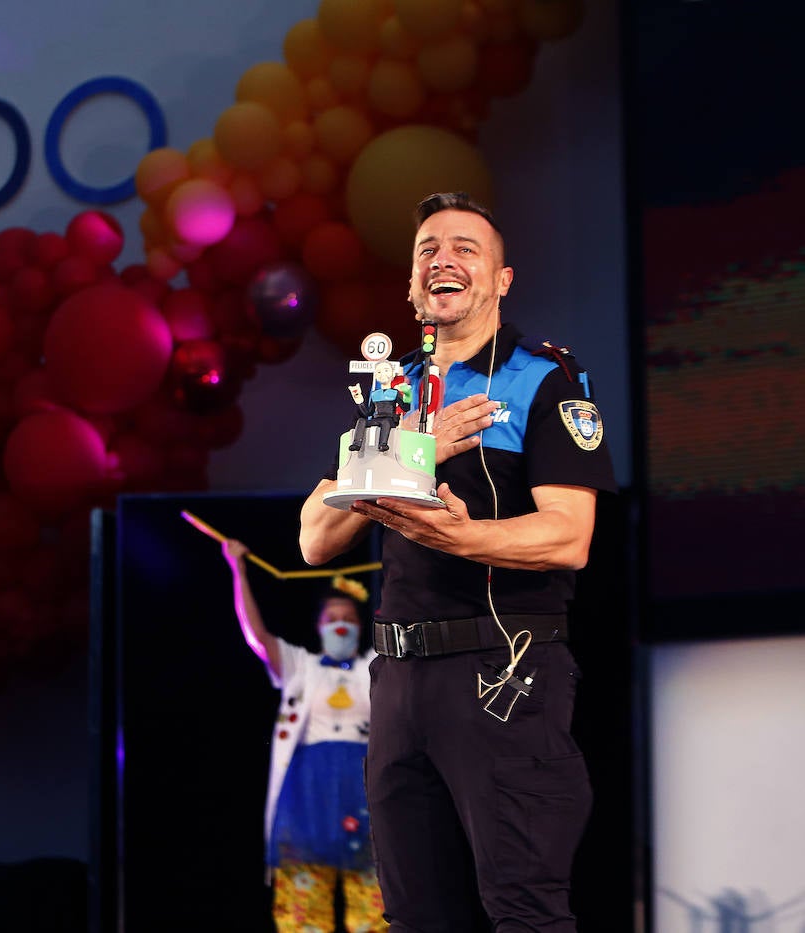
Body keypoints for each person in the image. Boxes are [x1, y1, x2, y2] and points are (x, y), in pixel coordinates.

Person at [298, 191, 617, 932]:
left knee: (524, 911)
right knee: (416, 918)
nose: (443, 258)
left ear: (502, 280)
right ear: (412, 285)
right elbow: (316, 535)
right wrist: (415, 446)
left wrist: (465, 538)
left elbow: (570, 535)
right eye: (428, 249)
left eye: (466, 248)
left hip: (502, 671)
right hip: (399, 681)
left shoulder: (544, 381)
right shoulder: (391, 392)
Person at [221, 537, 387, 933]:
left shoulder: (374, 668)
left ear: (360, 625)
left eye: (347, 617)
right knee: (303, 916)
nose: (340, 625)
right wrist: (238, 570)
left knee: (376, 910)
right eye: (332, 618)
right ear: (319, 626)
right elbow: (257, 635)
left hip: (363, 791)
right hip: (307, 796)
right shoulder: (301, 667)